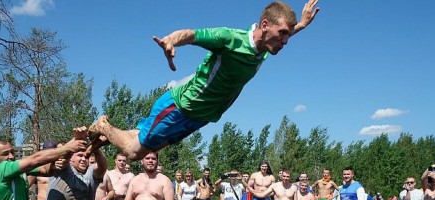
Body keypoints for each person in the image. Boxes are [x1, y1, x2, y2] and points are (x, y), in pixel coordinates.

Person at [85, 1, 321, 160]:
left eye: (287, 36)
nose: (285, 41)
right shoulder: (229, 38)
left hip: (200, 117)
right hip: (180, 107)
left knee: (144, 140)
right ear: (265, 25)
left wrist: (301, 24)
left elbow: (282, 34)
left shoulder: (265, 48)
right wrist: (170, 40)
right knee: (134, 152)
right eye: (283, 34)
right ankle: (103, 125)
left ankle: (102, 139)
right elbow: (191, 35)